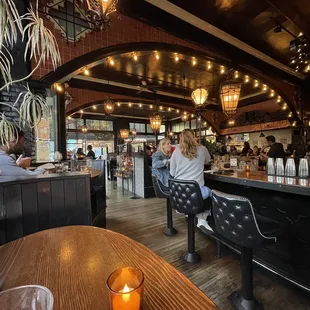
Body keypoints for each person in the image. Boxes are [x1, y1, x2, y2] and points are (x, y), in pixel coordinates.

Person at [170, 129, 213, 233]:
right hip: (196, 193)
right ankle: (202, 218)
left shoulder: (176, 151)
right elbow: (208, 160)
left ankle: (190, 213)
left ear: (181, 139)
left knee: (200, 194)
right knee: (212, 194)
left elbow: (172, 173)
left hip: (178, 194)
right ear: (194, 137)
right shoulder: (202, 149)